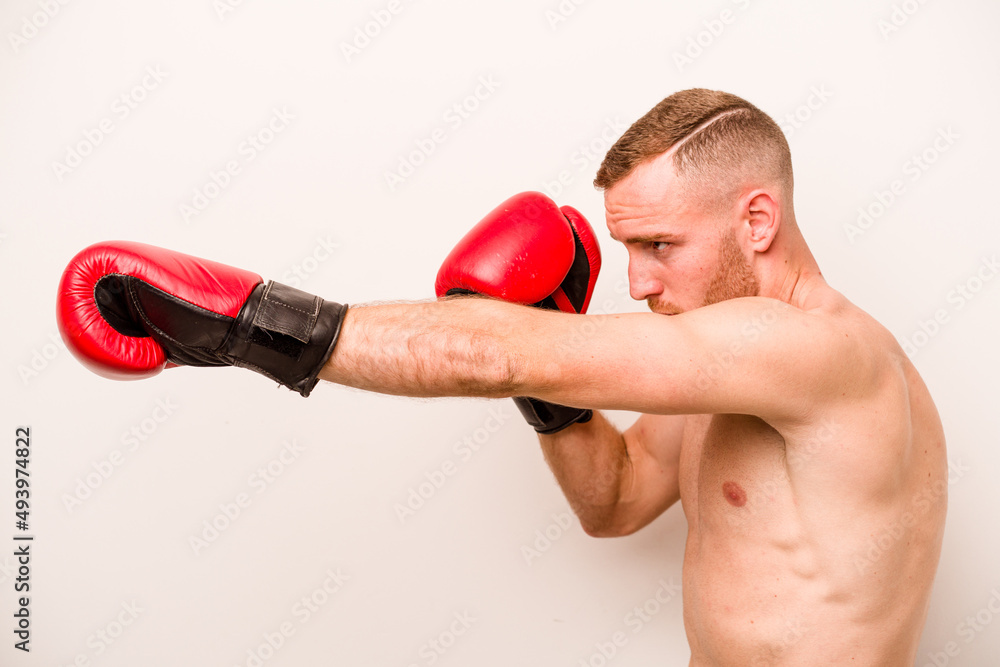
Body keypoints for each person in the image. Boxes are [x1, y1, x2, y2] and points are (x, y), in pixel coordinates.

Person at [57, 88, 947, 666]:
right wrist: (555, 391)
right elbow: (616, 500)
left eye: (660, 246)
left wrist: (248, 324)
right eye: (629, 246)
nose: (636, 282)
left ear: (758, 218)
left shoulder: (814, 352)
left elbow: (493, 353)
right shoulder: (738, 370)